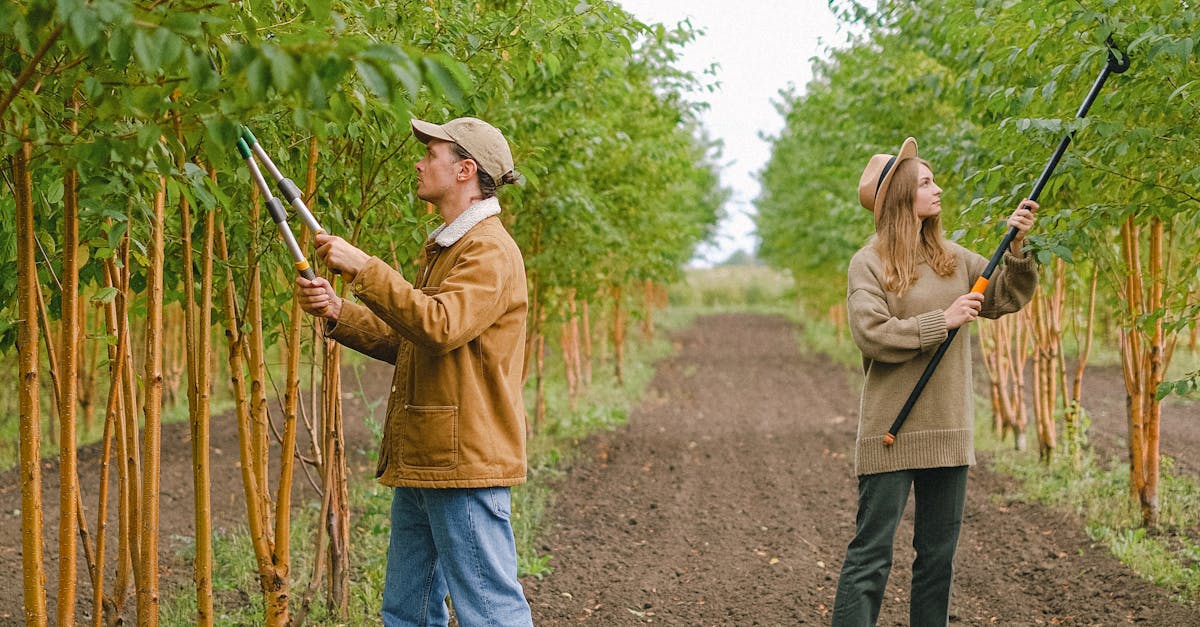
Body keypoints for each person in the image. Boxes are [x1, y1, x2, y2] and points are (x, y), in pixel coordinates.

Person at [295, 116, 533, 626]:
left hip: (464, 461)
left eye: (432, 153)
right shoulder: (451, 246)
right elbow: (413, 343)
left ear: (465, 170)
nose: (419, 161)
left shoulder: (487, 250)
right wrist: (340, 311)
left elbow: (440, 326)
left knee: (489, 609)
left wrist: (365, 268)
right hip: (429, 453)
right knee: (407, 610)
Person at [831, 137, 1038, 626]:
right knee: (871, 558)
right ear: (904, 196)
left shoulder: (953, 258)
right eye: (926, 182)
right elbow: (871, 334)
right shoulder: (869, 263)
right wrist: (939, 322)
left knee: (937, 562)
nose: (937, 188)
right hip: (890, 433)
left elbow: (1004, 297)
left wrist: (1018, 245)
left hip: (949, 430)